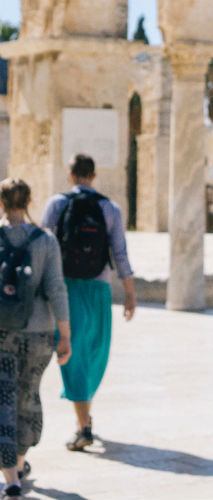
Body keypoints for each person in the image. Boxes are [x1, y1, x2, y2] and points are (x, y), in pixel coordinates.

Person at [41, 154, 136, 452]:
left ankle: (84, 422)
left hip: (65, 287)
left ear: (70, 175)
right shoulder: (110, 208)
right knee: (94, 352)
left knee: (74, 352)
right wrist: (130, 293)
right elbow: (119, 253)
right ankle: (84, 424)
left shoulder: (56, 204)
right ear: (94, 176)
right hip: (99, 287)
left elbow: (44, 246)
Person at [0, 178, 71, 500]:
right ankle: (19, 460)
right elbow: (56, 287)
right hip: (39, 333)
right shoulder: (45, 240)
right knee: (27, 397)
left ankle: (11, 478)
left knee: (4, 400)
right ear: (29, 201)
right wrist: (65, 335)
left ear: (1, 202)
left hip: (2, 333)